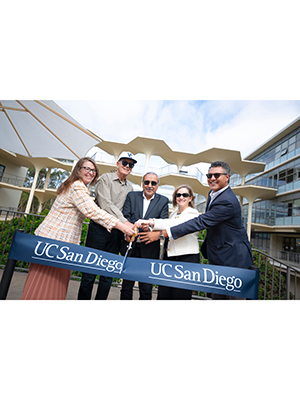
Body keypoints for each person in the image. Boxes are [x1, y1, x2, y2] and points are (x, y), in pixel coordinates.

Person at [21, 157, 135, 300]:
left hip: (61, 242)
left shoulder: (78, 186)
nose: (90, 172)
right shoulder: (77, 186)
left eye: (93, 170)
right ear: (78, 170)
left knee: (52, 284)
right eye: (86, 168)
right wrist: (123, 226)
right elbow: (93, 211)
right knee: (45, 284)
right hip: (55, 240)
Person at [160, 161, 253, 300]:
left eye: (217, 175)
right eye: (209, 175)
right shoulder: (213, 193)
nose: (212, 178)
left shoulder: (227, 200)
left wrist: (167, 233)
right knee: (219, 297)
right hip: (219, 254)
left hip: (233, 258)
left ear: (227, 177)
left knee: (232, 299)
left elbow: (202, 221)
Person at [77, 151, 137, 300]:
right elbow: (105, 204)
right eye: (125, 163)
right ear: (117, 164)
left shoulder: (130, 188)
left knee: (107, 275)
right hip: (98, 230)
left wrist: (127, 226)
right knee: (89, 273)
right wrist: (124, 222)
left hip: (116, 233)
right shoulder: (105, 179)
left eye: (131, 164)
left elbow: (127, 211)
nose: (127, 166)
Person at [136, 184, 200, 300]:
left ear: (190, 198)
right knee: (164, 295)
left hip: (186, 259)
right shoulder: (174, 214)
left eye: (185, 195)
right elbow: (168, 229)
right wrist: (149, 229)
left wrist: (151, 222)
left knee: (180, 296)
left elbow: (176, 225)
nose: (181, 197)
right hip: (170, 258)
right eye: (178, 195)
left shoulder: (193, 213)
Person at [120, 172, 169, 300]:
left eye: (153, 183)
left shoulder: (163, 201)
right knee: (126, 286)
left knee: (146, 288)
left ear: (157, 185)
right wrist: (129, 232)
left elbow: (164, 222)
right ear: (142, 183)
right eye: (147, 182)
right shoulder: (132, 196)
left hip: (149, 248)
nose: (150, 185)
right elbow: (126, 216)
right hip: (131, 245)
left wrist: (151, 227)